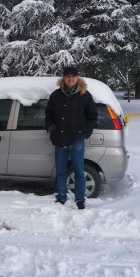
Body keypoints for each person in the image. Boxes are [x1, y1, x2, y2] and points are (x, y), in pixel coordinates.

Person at [45, 66, 98, 209]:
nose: (70, 78)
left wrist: (85, 133)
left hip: (77, 140)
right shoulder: (56, 95)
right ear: (63, 78)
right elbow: (48, 115)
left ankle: (80, 199)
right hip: (59, 139)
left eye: (73, 76)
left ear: (77, 77)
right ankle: (61, 197)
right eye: (68, 76)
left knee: (79, 170)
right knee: (61, 171)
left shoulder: (85, 95)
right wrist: (52, 131)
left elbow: (93, 117)